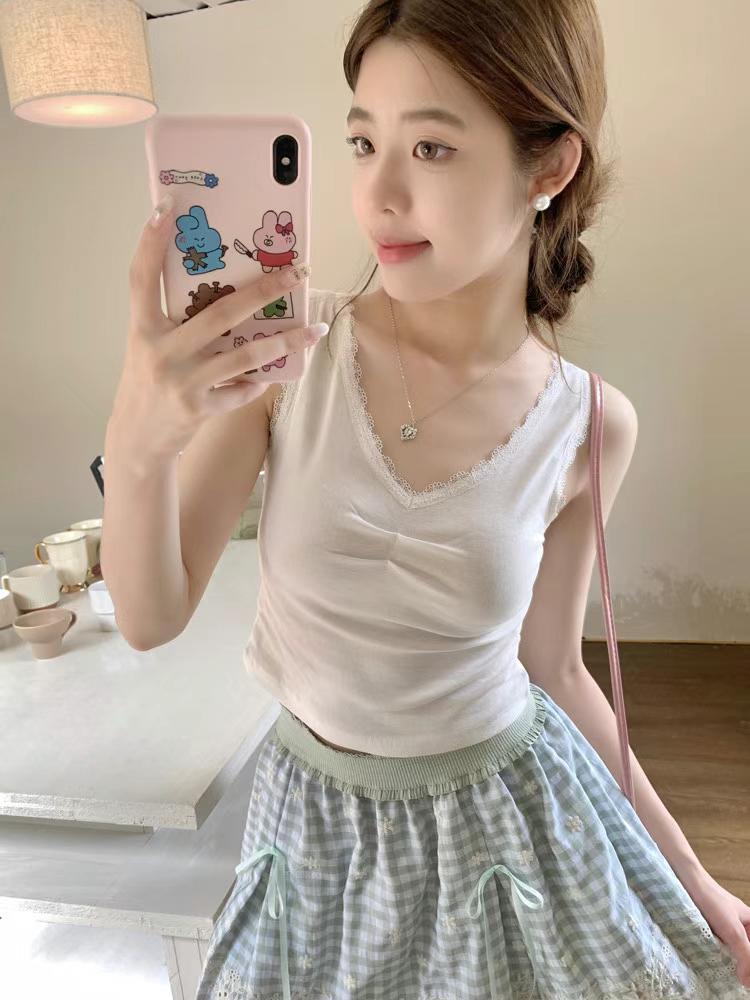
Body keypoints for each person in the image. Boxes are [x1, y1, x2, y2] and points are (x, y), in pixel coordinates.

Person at [105, 0, 750, 997]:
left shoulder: (589, 424)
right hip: (313, 838)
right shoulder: (290, 358)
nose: (379, 194)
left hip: (505, 831)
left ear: (549, 167)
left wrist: (697, 880)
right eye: (363, 142)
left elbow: (556, 668)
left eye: (433, 149)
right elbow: (150, 616)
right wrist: (137, 436)